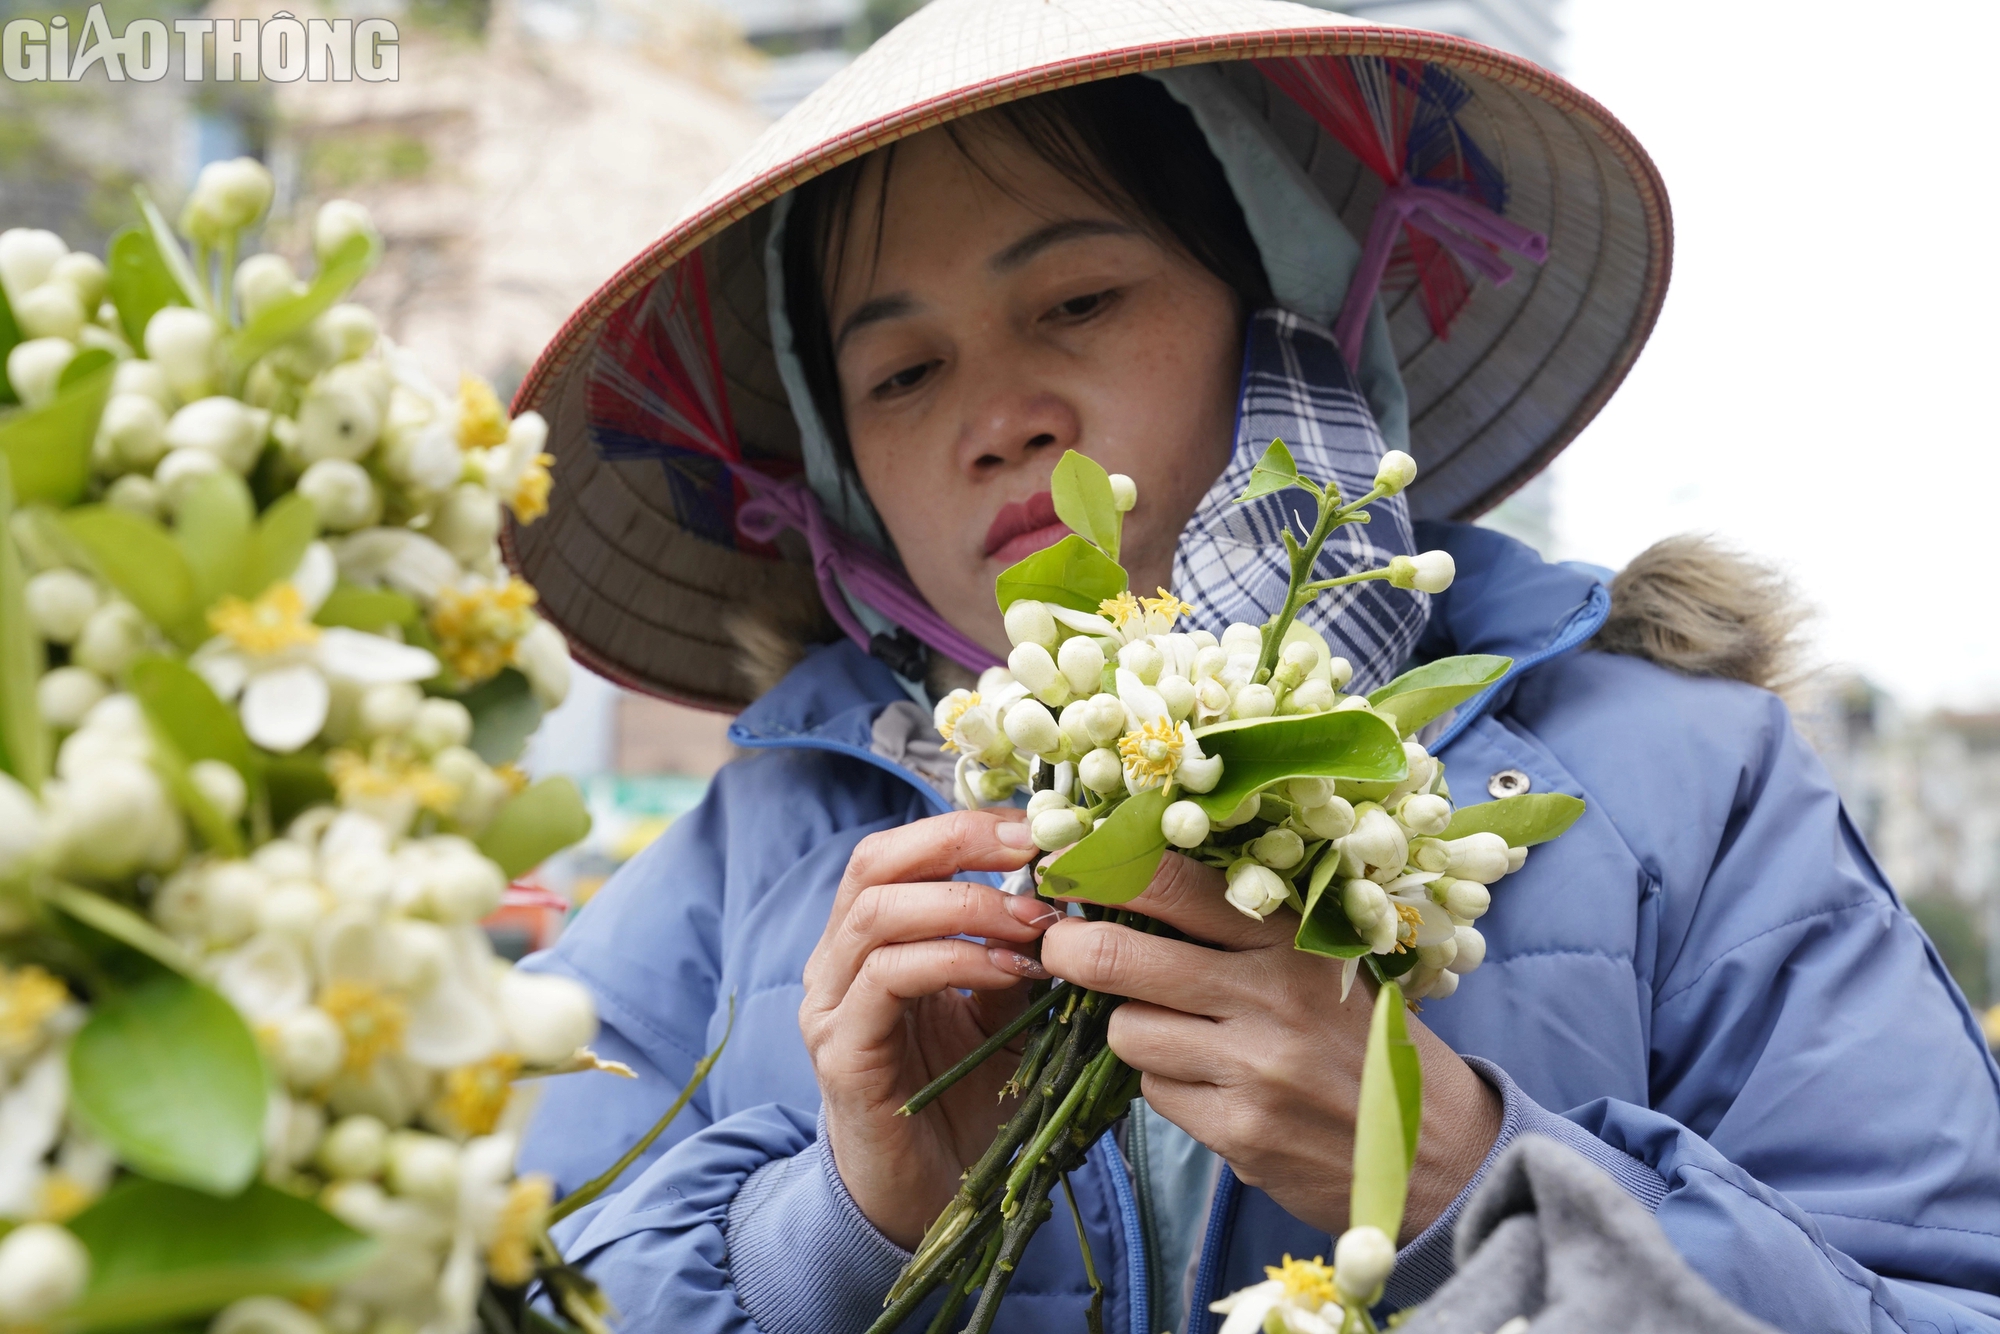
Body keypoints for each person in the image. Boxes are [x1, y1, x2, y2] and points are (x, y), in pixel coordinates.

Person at [504, 4, 2000, 1332]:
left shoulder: (1682, 778)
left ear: (1276, 301)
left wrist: (1457, 1170)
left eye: (1079, 300)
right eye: (900, 373)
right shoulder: (734, 869)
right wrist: (838, 1231)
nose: (999, 415)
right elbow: (485, 1271)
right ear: (842, 468)